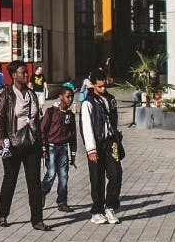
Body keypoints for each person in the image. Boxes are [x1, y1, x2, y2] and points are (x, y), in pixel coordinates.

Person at [0, 60, 49, 231]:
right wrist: (1, 138)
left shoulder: (31, 94)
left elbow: (37, 120)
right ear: (14, 75)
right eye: (22, 72)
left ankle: (37, 219)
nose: (26, 75)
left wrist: (42, 144)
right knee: (10, 180)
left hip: (31, 143)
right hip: (14, 143)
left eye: (26, 72)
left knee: (34, 183)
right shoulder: (6, 95)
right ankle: (3, 214)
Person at [80, 69, 123, 225]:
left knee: (116, 174)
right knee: (97, 178)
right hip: (96, 145)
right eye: (100, 87)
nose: (103, 89)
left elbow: (114, 120)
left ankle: (110, 206)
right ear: (93, 85)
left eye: (105, 86)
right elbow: (86, 127)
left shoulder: (111, 99)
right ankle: (97, 210)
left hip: (110, 143)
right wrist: (91, 149)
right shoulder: (88, 103)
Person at [39, 86, 77, 213]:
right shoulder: (51, 112)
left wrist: (73, 154)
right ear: (61, 97)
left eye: (72, 96)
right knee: (51, 174)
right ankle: (42, 193)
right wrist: (43, 148)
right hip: (51, 148)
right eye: (68, 96)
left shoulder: (70, 115)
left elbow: (73, 135)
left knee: (64, 176)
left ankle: (62, 202)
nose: (70, 99)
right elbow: (42, 130)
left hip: (63, 149)